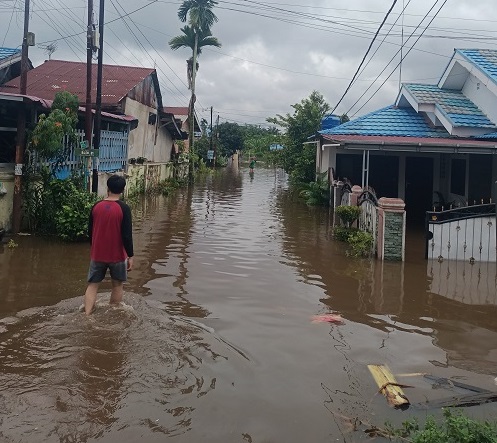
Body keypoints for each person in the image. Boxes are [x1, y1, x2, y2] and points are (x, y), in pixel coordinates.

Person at [83, 175, 134, 315]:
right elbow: (127, 235)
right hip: (117, 255)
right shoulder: (124, 208)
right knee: (117, 285)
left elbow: (90, 232)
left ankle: (87, 315)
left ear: (108, 188)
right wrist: (130, 256)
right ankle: (113, 313)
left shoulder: (96, 206)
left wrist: (94, 249)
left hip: (97, 254)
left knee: (92, 285)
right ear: (122, 190)